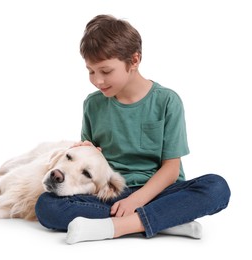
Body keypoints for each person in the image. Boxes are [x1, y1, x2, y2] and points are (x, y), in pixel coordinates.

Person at [35, 14, 231, 244]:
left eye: (106, 71)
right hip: (113, 194)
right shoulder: (93, 104)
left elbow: (170, 169)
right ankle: (167, 220)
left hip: (160, 191)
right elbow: (93, 163)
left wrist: (137, 200)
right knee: (46, 206)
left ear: (134, 60)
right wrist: (86, 150)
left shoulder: (167, 101)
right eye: (91, 71)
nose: (98, 80)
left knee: (217, 187)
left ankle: (117, 227)